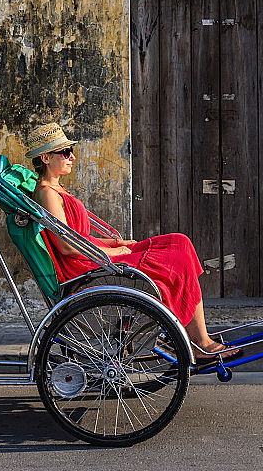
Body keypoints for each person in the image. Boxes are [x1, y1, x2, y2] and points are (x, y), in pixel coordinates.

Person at [23, 122, 239, 364]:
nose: (72, 157)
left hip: (93, 253)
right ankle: (201, 343)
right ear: (45, 157)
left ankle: (199, 337)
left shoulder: (57, 188)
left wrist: (116, 242)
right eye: (65, 152)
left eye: (70, 150)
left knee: (179, 242)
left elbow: (79, 236)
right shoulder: (47, 193)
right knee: (174, 259)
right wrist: (111, 250)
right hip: (85, 263)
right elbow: (67, 246)